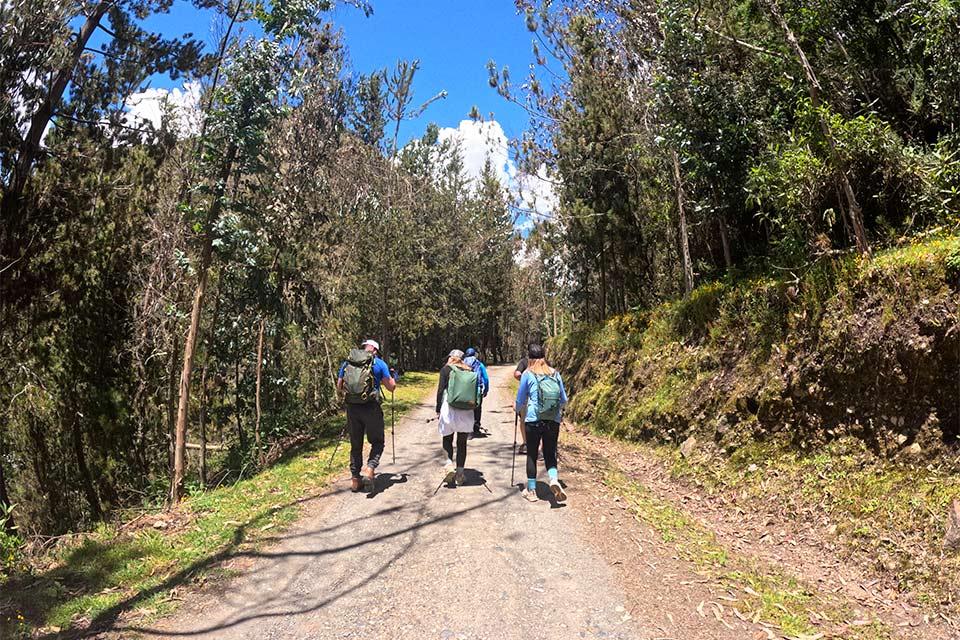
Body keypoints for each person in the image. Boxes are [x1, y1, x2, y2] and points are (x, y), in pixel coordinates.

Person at [337, 339, 397, 492]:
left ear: (363, 348)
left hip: (352, 408)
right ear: (375, 350)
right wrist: (392, 376)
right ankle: (370, 470)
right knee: (377, 441)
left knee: (355, 444)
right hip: (371, 408)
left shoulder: (348, 363)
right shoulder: (379, 363)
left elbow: (339, 386)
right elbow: (391, 387)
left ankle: (355, 480)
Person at [515, 343, 568, 503]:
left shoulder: (527, 374)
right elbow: (564, 400)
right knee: (550, 453)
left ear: (529, 358)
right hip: (553, 420)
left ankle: (531, 491)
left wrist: (517, 408)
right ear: (544, 357)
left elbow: (520, 399)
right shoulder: (555, 374)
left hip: (533, 420)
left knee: (531, 454)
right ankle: (553, 479)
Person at [435, 349, 480, 486]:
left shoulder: (446, 370)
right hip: (466, 412)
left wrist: (438, 410)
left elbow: (440, 390)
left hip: (449, 409)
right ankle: (460, 474)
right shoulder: (470, 370)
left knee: (447, 439)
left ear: (451, 358)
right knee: (462, 443)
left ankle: (449, 464)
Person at [463, 347, 490, 437]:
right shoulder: (479, 364)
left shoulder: (462, 363)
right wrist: (486, 390)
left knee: (466, 408)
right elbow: (485, 378)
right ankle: (476, 429)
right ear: (474, 354)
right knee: (477, 409)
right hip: (477, 389)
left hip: (465, 389)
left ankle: (466, 431)